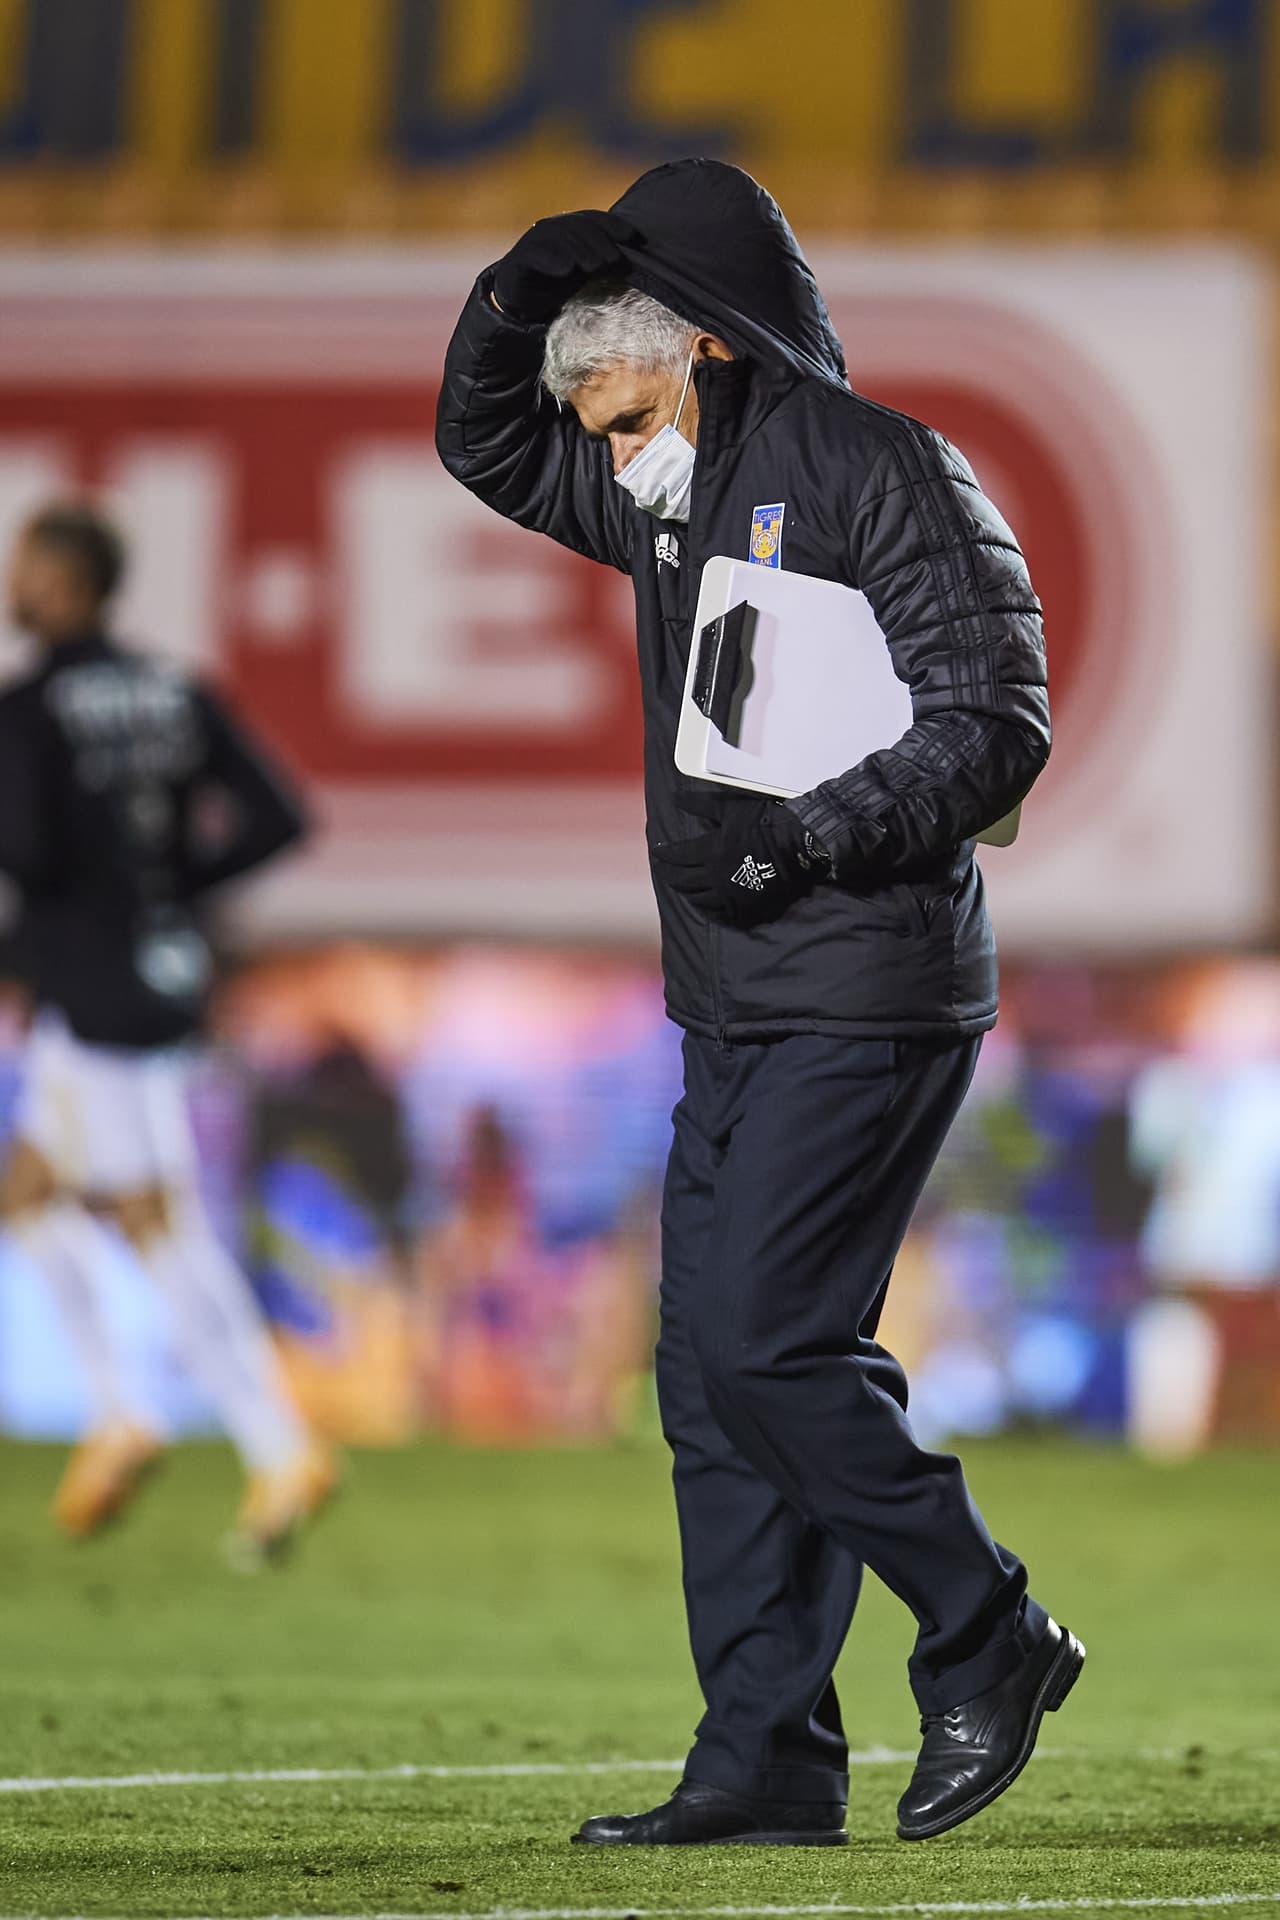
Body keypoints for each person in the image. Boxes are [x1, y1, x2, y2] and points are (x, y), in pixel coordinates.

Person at [436, 159, 1082, 1848]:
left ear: (706, 352)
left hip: (868, 984)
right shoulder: (674, 486)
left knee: (769, 1344)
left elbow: (995, 720)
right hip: (732, 999)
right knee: (712, 1388)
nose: (601, 452)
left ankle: (987, 1628)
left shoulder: (882, 466)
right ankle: (768, 1759)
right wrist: (513, 299)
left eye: (622, 414)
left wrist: (806, 838)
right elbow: (482, 446)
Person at [0, 501, 335, 1561]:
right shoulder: (174, 690)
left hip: (89, 993)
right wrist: (172, 886)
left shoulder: (30, 709)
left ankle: (277, 1445)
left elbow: (29, 851)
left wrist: (60, 918)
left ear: (65, 582)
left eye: (27, 566)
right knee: (29, 1196)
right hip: (152, 975)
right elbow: (278, 815)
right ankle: (124, 1412)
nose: (14, 580)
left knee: (160, 1225)